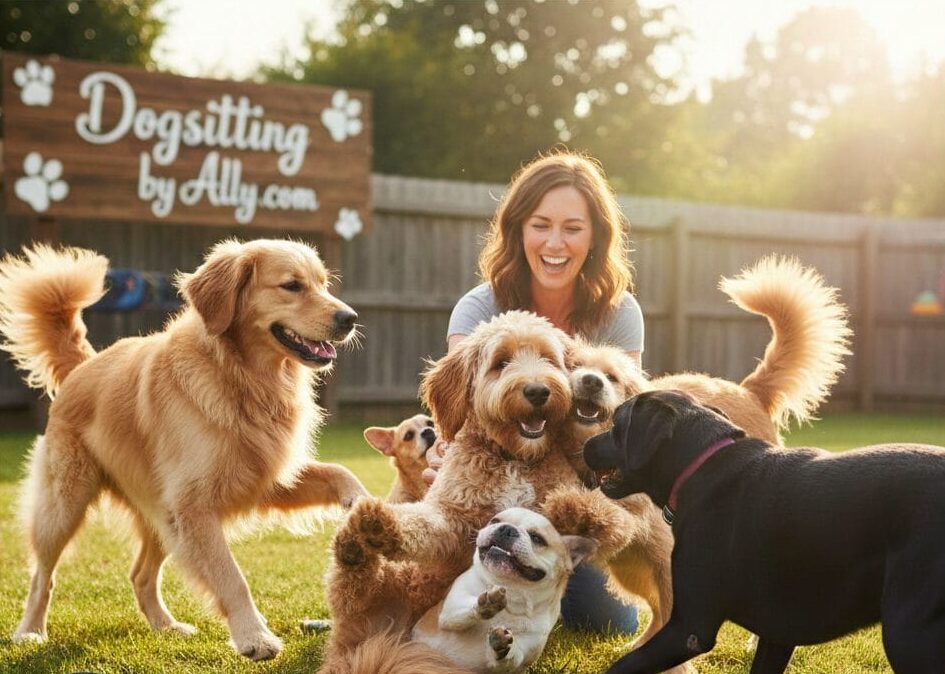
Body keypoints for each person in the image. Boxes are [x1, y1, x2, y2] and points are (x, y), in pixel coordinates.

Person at [440, 150, 644, 635]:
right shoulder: (478, 308)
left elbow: (625, 422)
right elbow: (461, 411)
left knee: (610, 620)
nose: (555, 243)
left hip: (575, 490)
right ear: (517, 230)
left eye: (573, 228)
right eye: (540, 225)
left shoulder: (620, 314)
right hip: (488, 481)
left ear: (595, 237)